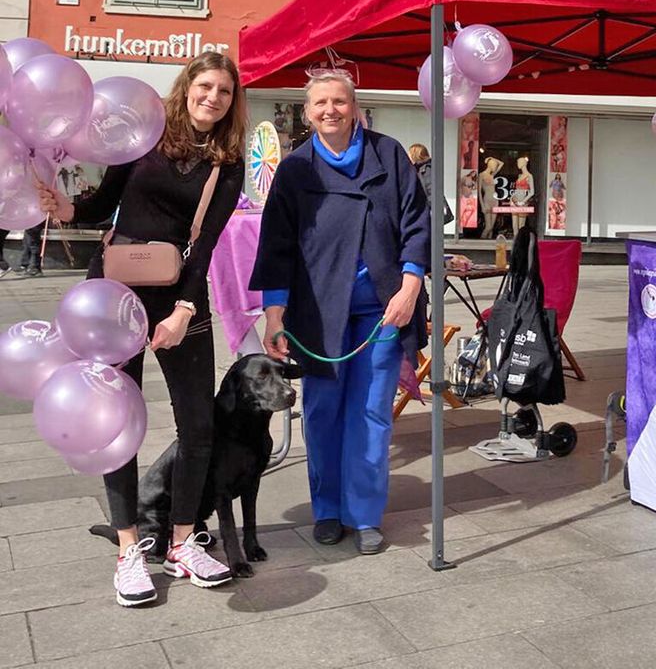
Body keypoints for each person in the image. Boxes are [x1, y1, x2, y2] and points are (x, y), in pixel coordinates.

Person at [37, 53, 246, 607]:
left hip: (179, 294)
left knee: (198, 423)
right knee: (114, 421)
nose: (213, 98)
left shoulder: (229, 161)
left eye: (224, 91)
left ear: (232, 101)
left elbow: (205, 247)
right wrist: (64, 204)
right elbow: (103, 204)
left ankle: (181, 542)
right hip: (114, 293)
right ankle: (129, 547)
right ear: (187, 88)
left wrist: (182, 310)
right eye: (205, 86)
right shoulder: (145, 135)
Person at [252, 70, 430, 554]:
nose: (330, 109)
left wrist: (410, 285)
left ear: (354, 107)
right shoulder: (295, 169)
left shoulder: (387, 154)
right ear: (307, 113)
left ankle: (366, 514)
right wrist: (275, 313)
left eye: (339, 101)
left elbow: (417, 221)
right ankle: (328, 509)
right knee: (323, 412)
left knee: (372, 414)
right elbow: (277, 245)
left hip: (383, 310)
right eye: (320, 103)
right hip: (318, 314)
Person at [407, 143, 453, 224]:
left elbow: (431, 191)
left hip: (427, 212)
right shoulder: (418, 170)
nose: (408, 157)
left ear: (415, 155)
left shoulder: (426, 170)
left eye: (409, 154)